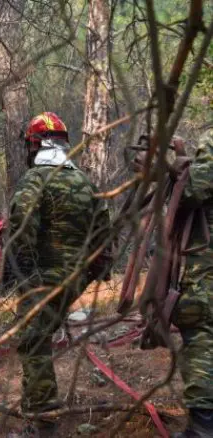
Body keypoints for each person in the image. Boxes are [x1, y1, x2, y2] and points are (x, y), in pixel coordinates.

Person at [7, 112, 112, 436]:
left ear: (34, 144)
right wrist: (87, 276)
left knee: (33, 343)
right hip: (74, 279)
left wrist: (25, 278)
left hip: (43, 279)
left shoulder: (36, 179)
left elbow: (22, 229)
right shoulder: (85, 182)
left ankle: (42, 426)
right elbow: (104, 238)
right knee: (39, 338)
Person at [134, 130, 213, 438]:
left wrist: (167, 167)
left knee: (202, 339)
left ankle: (204, 425)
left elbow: (189, 188)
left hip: (205, 278)